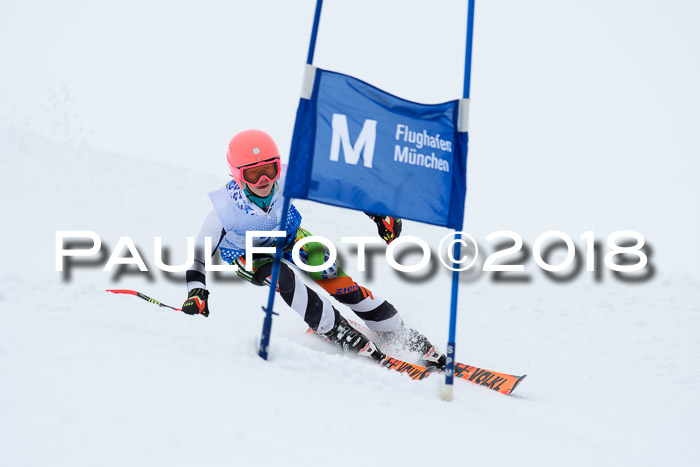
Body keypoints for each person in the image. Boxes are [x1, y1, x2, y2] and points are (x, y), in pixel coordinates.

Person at [182, 129, 446, 368]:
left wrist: (377, 212)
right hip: (248, 254)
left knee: (329, 273)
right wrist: (197, 291)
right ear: (237, 174)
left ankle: (395, 330)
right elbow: (199, 257)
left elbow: (339, 188)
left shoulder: (290, 178)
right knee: (281, 277)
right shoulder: (223, 212)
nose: (264, 180)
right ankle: (332, 327)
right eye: (253, 173)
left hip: (289, 236)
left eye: (270, 170)